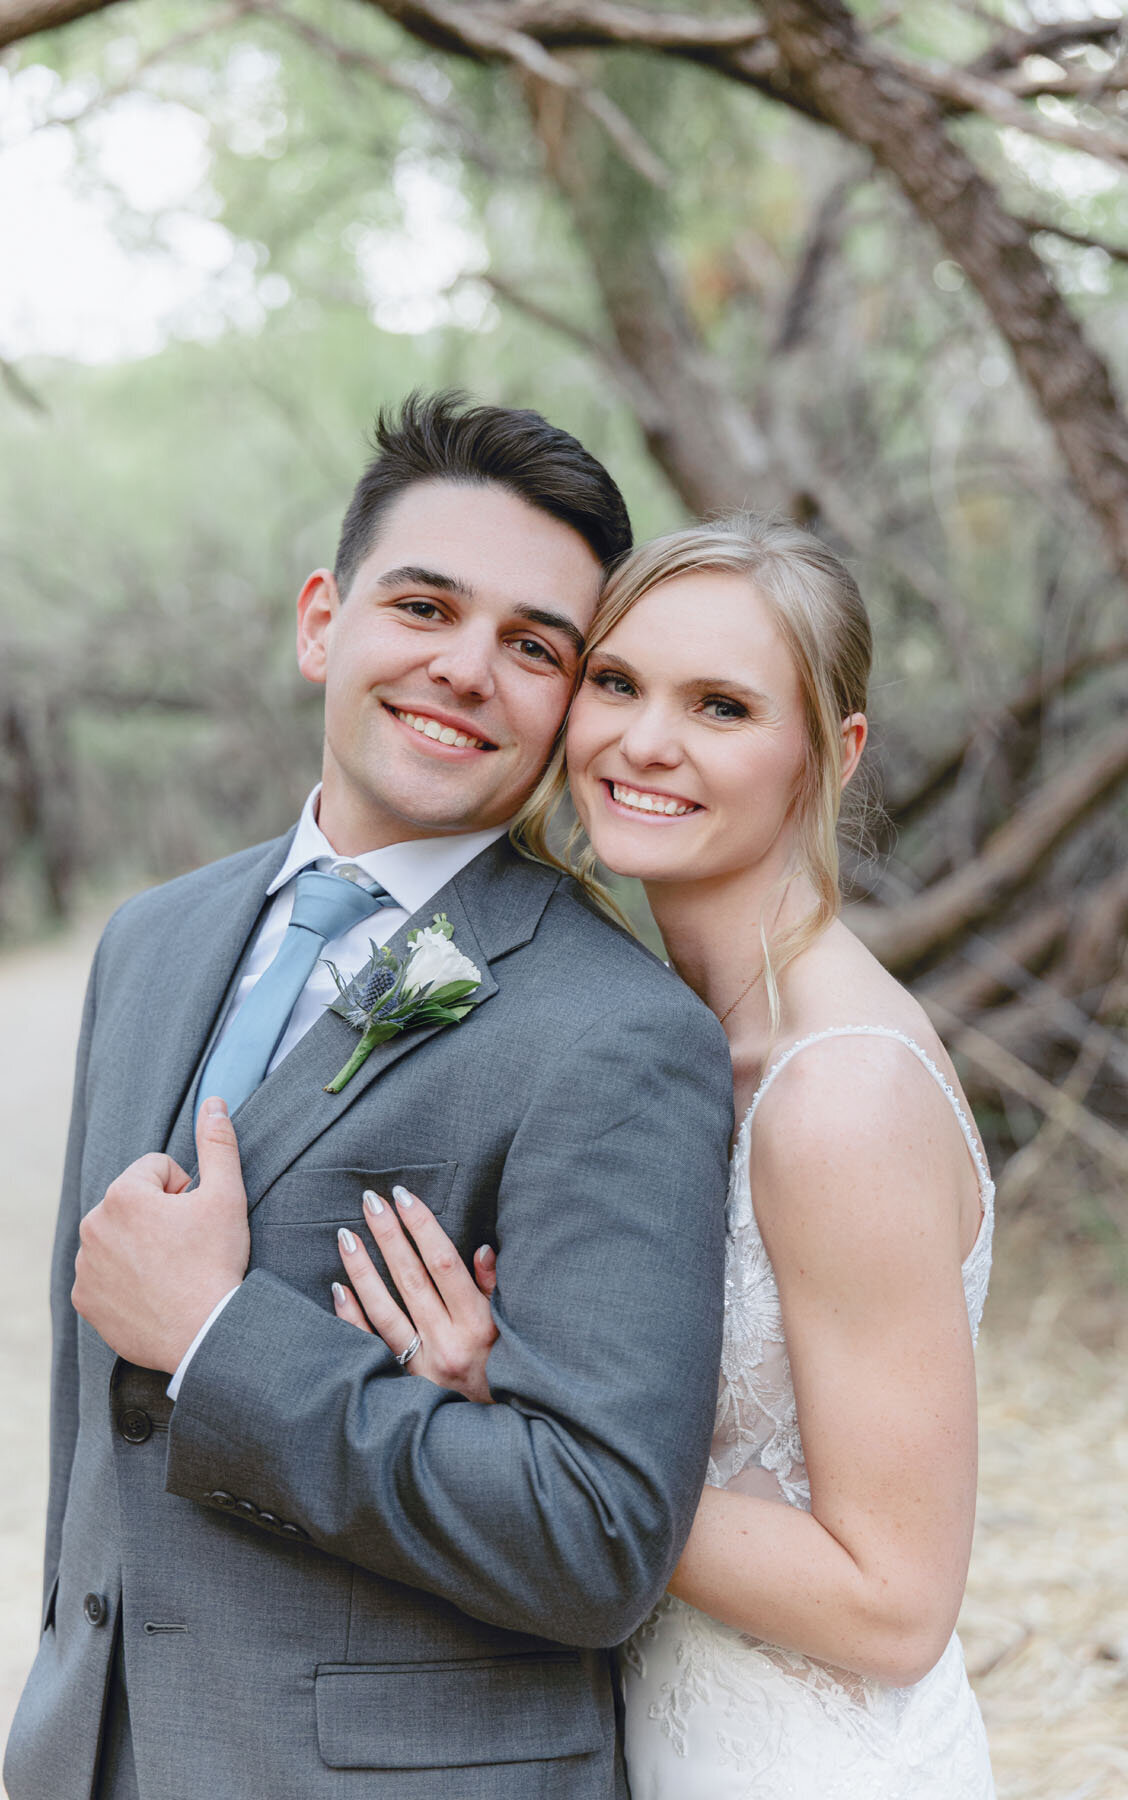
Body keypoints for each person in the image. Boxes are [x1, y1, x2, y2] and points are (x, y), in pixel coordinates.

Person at [3, 394, 736, 1800]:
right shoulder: (148, 941)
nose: (468, 670)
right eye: (424, 607)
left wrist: (220, 1341)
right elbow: (85, 1419)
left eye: (534, 647)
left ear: (570, 704)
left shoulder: (620, 1033)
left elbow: (597, 1543)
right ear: (322, 623)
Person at [335, 514, 998, 1798]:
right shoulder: (674, 1033)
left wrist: (523, 1419)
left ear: (836, 752)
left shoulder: (837, 1094)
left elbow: (895, 1604)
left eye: (722, 706)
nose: (645, 742)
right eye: (618, 684)